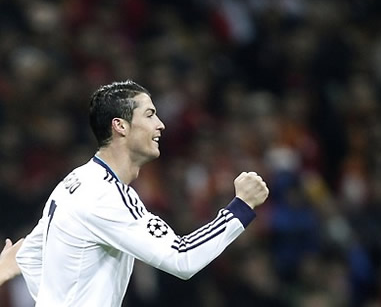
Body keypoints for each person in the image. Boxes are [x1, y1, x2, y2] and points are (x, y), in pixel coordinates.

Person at [16, 80, 269, 306]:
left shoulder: (75, 181)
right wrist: (241, 207)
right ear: (120, 126)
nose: (160, 125)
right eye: (150, 115)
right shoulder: (105, 195)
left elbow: (28, 256)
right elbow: (182, 257)